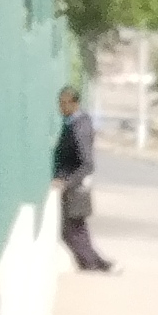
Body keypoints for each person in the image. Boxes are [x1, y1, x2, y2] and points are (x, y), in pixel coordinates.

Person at [51, 80, 112, 272]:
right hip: (72, 184)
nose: (61, 107)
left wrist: (67, 183)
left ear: (75, 104)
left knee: (71, 229)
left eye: (65, 103)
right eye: (60, 103)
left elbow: (87, 163)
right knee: (76, 228)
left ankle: (93, 263)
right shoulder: (73, 123)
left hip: (75, 186)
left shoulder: (79, 128)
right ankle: (95, 262)